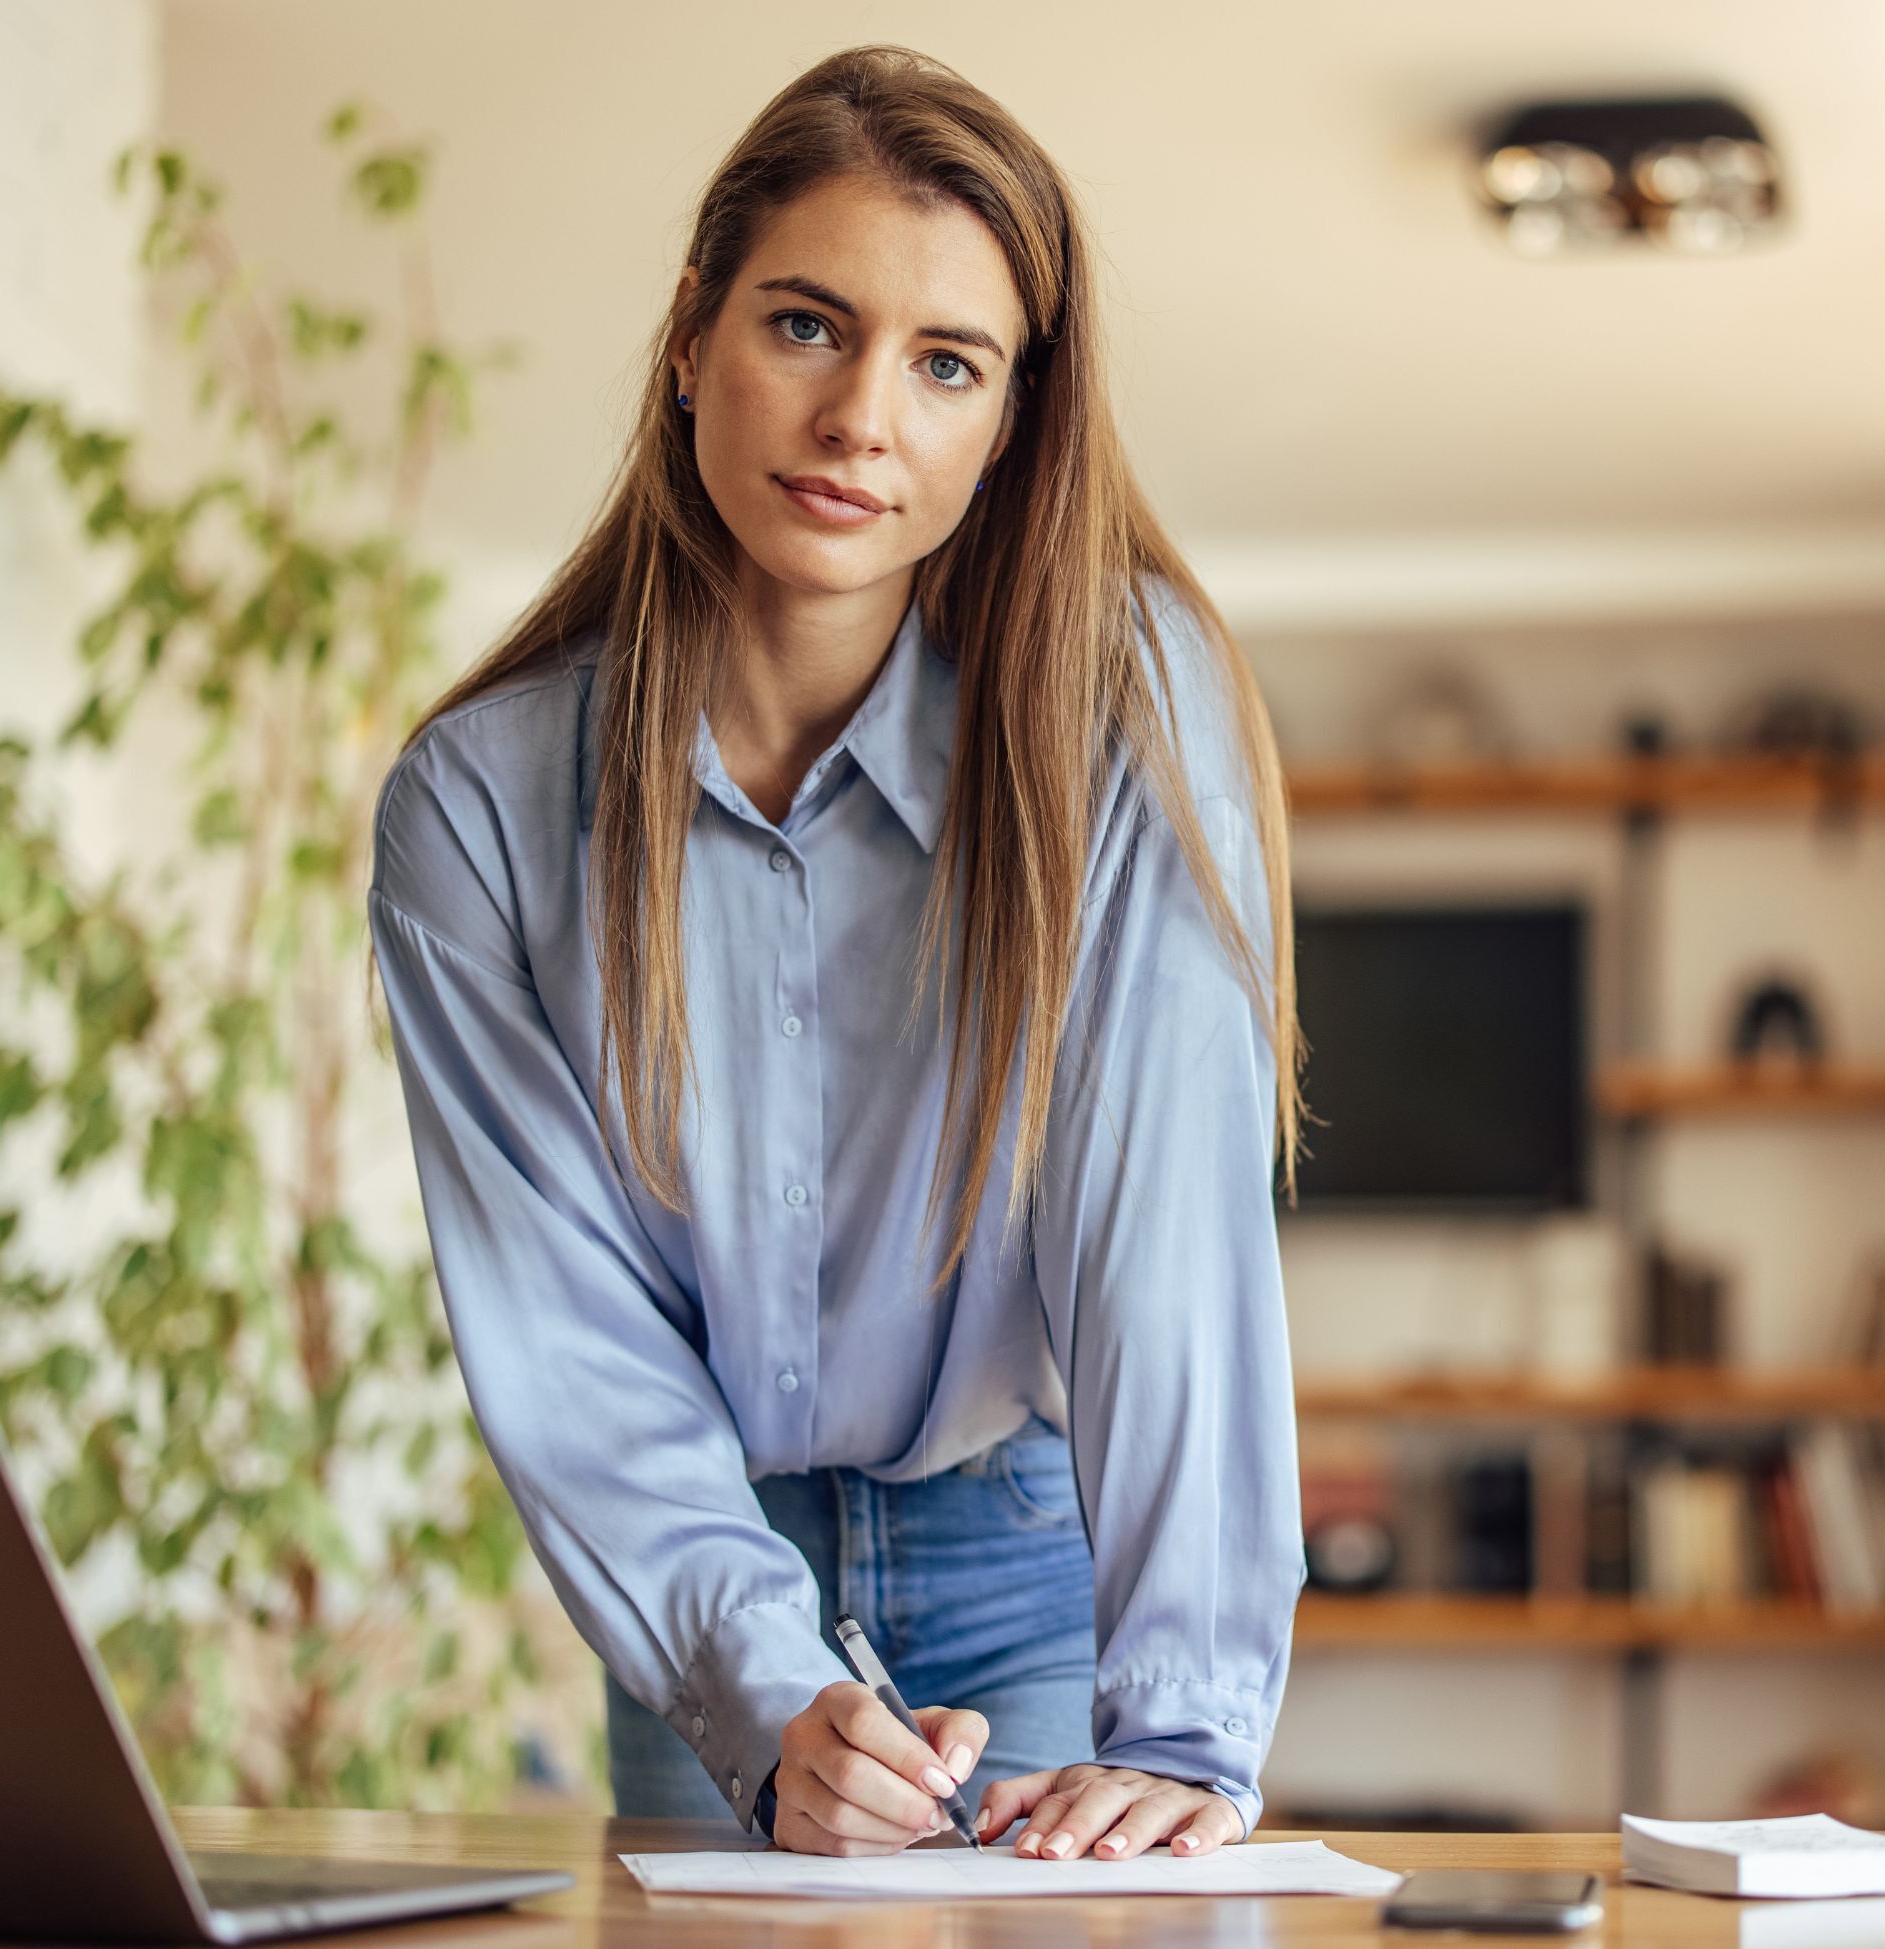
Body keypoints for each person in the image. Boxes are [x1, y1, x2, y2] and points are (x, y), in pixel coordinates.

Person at [368, 46, 1305, 1863]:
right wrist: (757, 1686)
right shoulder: (474, 810)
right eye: (808, 325)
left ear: (1009, 424)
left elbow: (1163, 1232)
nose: (862, 415)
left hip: (1031, 1547)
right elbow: (569, 1336)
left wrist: (1184, 1728)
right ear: (690, 338)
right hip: (697, 1570)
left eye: (946, 363)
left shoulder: (1120, 713)